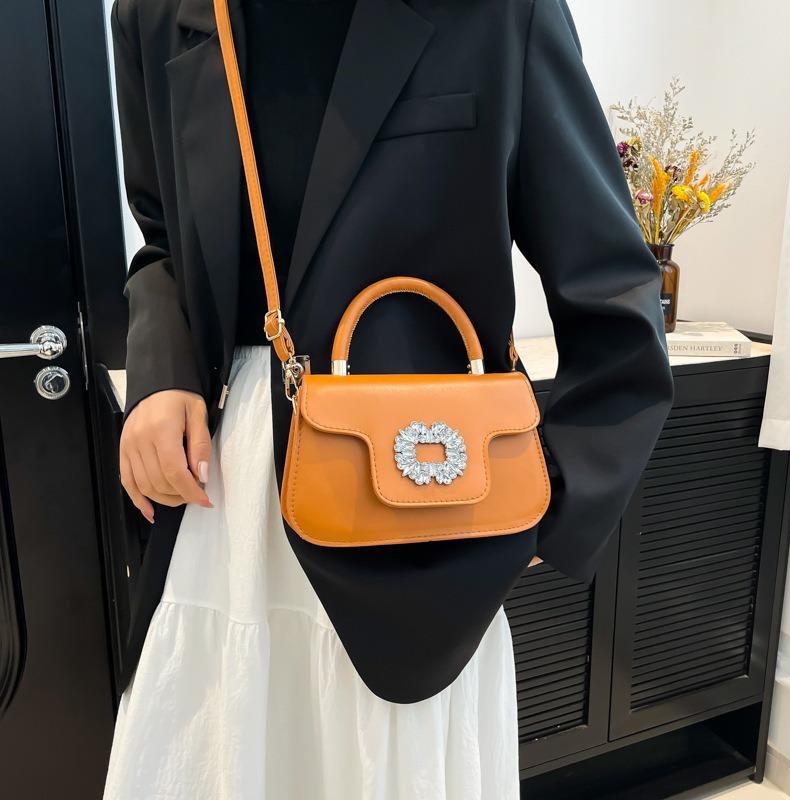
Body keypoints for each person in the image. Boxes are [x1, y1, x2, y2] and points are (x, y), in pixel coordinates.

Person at [103, 0, 675, 797]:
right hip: (223, 504)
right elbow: (162, 237)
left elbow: (612, 289)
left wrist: (554, 504)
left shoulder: (500, 14)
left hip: (425, 516)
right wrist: (160, 375)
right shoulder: (160, 15)